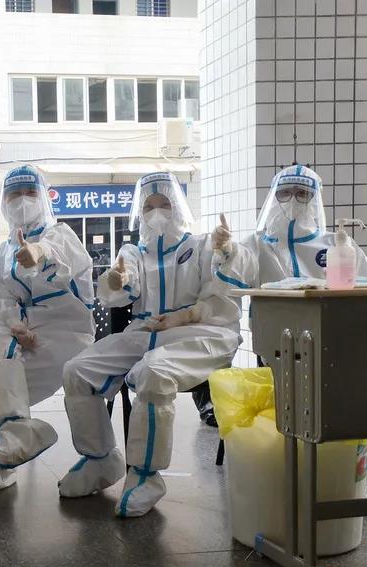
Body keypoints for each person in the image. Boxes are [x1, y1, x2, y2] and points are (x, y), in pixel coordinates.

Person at [58, 172, 254, 517]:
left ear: (179, 207)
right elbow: (122, 287)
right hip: (146, 332)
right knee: (77, 370)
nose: (157, 212)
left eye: (165, 204)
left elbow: (230, 286)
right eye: (149, 206)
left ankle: (146, 476)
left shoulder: (202, 245)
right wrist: (117, 279)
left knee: (153, 372)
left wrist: (227, 250)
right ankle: (99, 459)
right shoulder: (134, 251)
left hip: (201, 334)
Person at [0, 165, 95, 494]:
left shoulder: (61, 234)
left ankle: (1, 454)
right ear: (3, 201)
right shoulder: (1, 251)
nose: (22, 200)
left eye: (30, 192)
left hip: (65, 335)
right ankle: (8, 445)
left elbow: (60, 256)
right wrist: (16, 325)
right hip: (22, 336)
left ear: (43, 198)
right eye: (15, 194)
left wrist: (38, 252)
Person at [247, 165, 367, 283]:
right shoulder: (256, 245)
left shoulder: (338, 245)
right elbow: (235, 280)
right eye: (285, 192)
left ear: (315, 200)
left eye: (302, 193)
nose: (293, 200)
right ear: (274, 197)